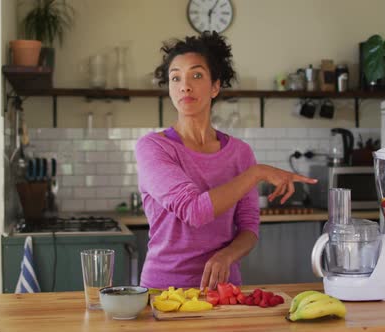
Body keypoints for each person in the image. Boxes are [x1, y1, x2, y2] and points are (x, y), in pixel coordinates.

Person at [135, 31, 317, 291]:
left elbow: (249, 227)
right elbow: (193, 211)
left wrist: (227, 255)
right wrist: (257, 173)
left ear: (215, 86)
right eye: (176, 77)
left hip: (224, 291)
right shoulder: (153, 147)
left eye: (196, 75)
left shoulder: (240, 153)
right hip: (165, 291)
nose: (184, 85)